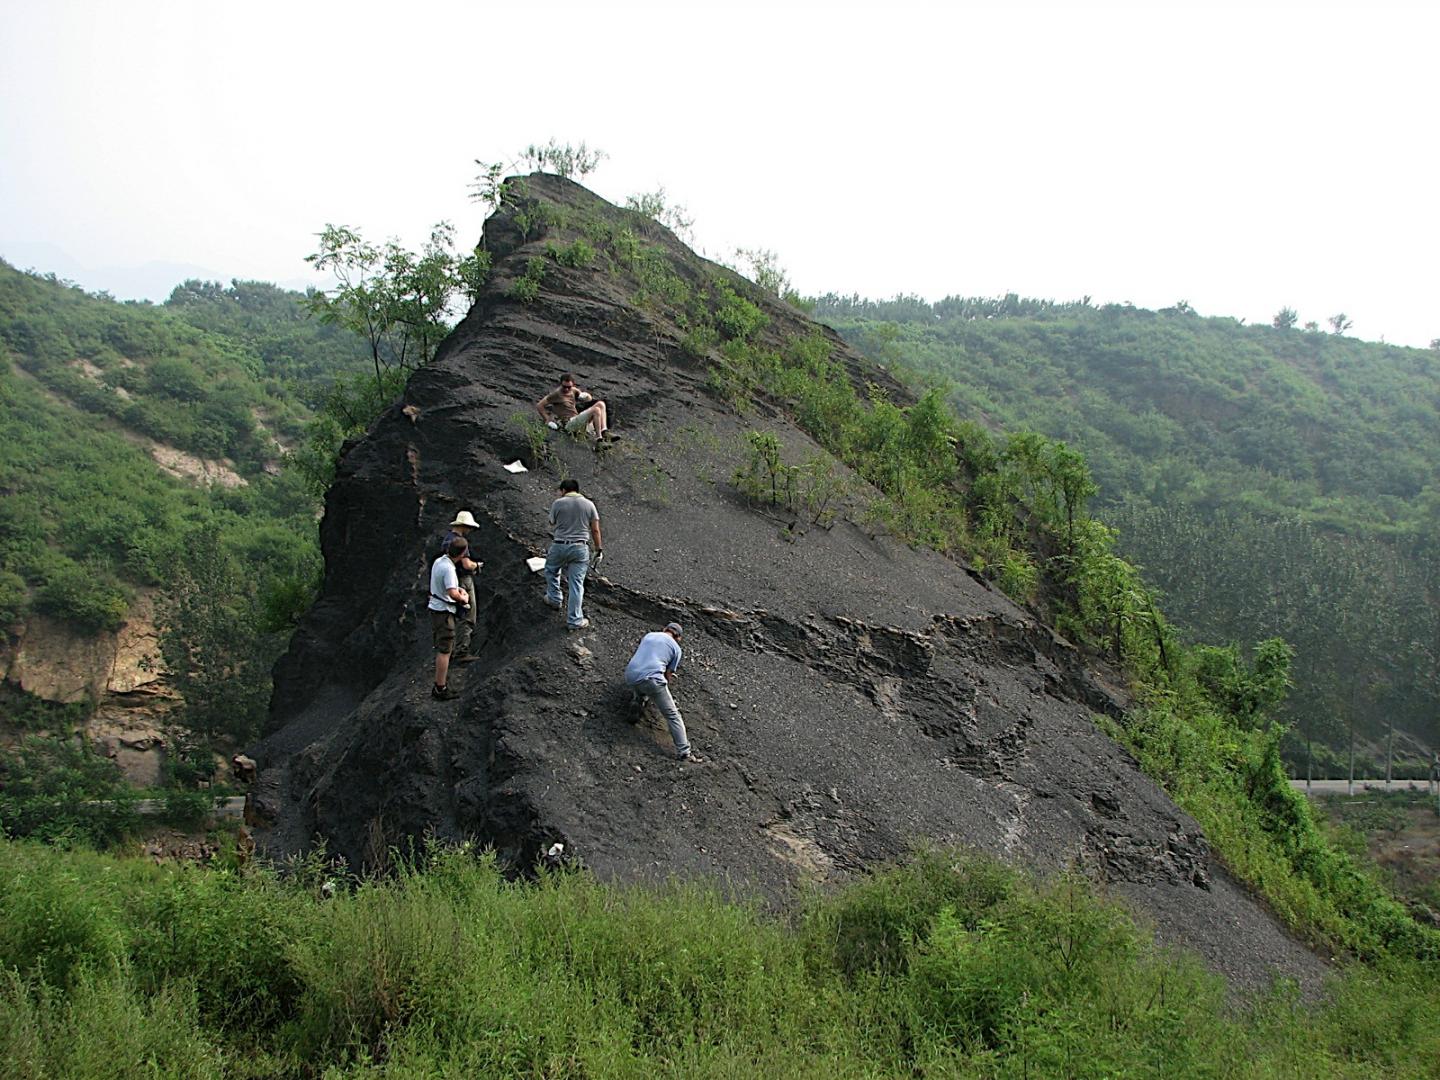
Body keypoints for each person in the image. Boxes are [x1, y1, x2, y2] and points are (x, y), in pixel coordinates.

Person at [625, 622, 703, 762]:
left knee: (642, 686)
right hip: (652, 679)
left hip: (630, 675)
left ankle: (637, 701)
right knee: (673, 715)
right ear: (678, 637)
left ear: (665, 629)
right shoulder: (676, 648)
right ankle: (684, 752)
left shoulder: (649, 635)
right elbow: (668, 674)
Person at [544, 478, 602, 630]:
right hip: (579, 547)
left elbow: (552, 522)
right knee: (576, 584)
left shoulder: (558, 503)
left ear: (563, 490)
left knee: (551, 570)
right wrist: (598, 549)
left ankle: (555, 598)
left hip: (560, 544)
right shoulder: (589, 505)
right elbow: (595, 529)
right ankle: (574, 620)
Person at [428, 536, 471, 700]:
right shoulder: (449, 569)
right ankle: (440, 688)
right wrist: (463, 598)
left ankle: (441, 683)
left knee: (442, 645)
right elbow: (452, 593)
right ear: (461, 554)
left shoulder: (439, 561)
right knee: (445, 650)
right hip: (443, 612)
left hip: (435, 607)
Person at [443, 511, 483, 662]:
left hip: (451, 579)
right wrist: (477, 565)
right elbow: (466, 565)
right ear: (464, 526)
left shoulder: (447, 539)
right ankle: (461, 651)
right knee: (468, 614)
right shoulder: (461, 543)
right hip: (463, 580)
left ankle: (450, 648)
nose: (470, 531)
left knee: (454, 614)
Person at [536, 372, 618, 444]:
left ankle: (604, 431)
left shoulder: (574, 390)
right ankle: (599, 440)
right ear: (561, 384)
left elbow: (588, 399)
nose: (567, 389)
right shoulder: (556, 394)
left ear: (573, 385)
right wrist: (547, 419)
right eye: (564, 387)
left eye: (569, 387)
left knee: (601, 404)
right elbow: (540, 405)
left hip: (576, 421)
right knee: (596, 410)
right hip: (568, 424)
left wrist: (586, 396)